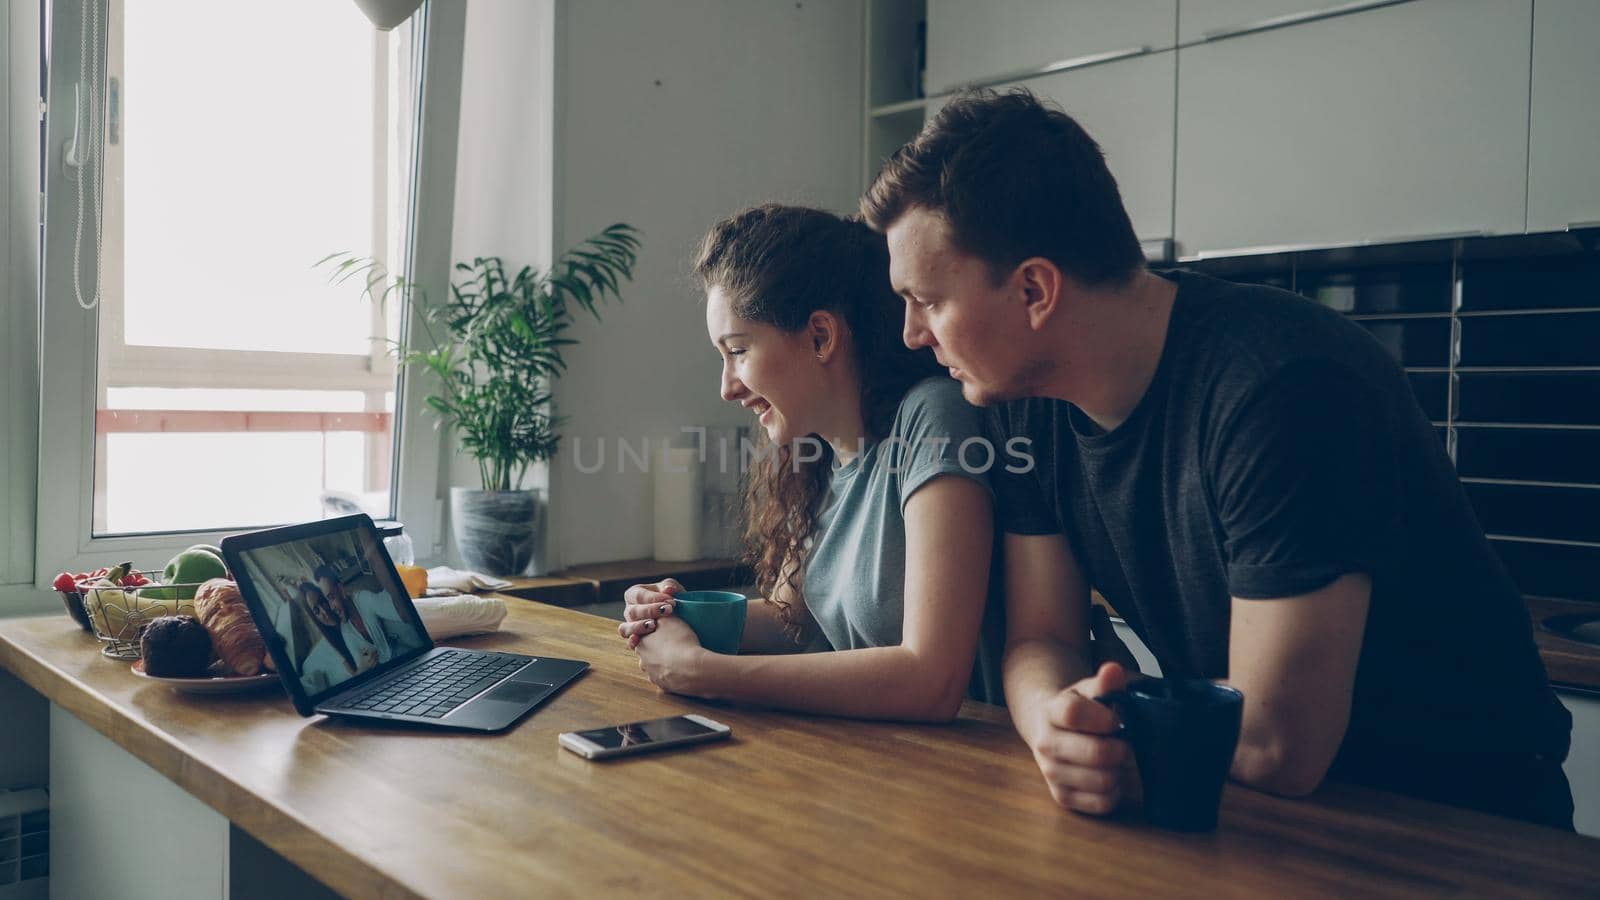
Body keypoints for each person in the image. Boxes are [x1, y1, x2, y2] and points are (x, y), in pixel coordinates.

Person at [860, 88, 1575, 828]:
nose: (913, 334)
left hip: (1457, 822)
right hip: (1240, 804)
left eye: (927, 300)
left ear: (1035, 289)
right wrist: (1053, 720)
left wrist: (1112, 726)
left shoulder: (1281, 387)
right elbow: (1042, 639)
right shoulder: (1021, 406)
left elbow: (1277, 746)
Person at [618, 203, 1020, 720]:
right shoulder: (817, 456)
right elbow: (794, 623)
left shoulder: (933, 416)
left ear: (821, 336)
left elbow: (931, 680)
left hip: (975, 773)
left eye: (738, 350)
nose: (727, 387)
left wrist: (706, 673)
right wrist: (673, 614)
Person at [313, 564, 413, 663]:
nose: (331, 607)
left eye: (332, 597)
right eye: (328, 601)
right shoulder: (346, 630)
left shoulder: (363, 599)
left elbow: (402, 613)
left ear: (341, 590)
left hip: (401, 656)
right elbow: (361, 664)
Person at [296, 582, 361, 694]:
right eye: (316, 610)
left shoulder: (353, 616)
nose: (324, 611)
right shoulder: (331, 640)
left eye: (322, 601)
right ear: (314, 617)